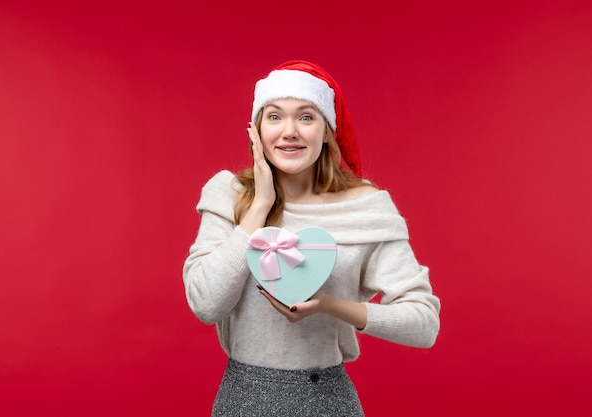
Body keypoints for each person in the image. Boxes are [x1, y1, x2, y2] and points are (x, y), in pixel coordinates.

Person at [183, 60, 441, 416]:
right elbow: (206, 304)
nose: (289, 131)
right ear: (255, 130)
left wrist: (329, 305)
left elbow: (424, 324)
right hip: (241, 400)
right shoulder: (227, 194)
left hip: (327, 401)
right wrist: (260, 206)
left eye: (306, 117)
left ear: (326, 130)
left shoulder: (366, 208)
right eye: (274, 117)